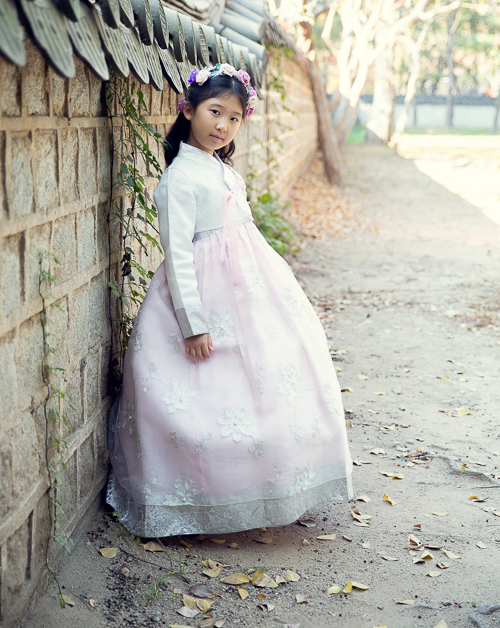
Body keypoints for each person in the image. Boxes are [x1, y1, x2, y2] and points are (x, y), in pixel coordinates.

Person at [107, 63, 353, 537]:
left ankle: (272, 481)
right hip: (206, 292)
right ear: (189, 109)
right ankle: (200, 496)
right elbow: (178, 255)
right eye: (214, 112)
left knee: (271, 372)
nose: (222, 125)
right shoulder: (180, 179)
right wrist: (193, 323)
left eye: (234, 117)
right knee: (206, 391)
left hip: (252, 287)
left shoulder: (221, 170)